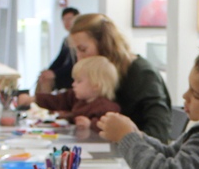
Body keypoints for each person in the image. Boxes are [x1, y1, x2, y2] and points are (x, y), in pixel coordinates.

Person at [68, 13, 172, 142]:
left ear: (105, 45)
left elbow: (159, 133)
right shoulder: (105, 75)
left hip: (137, 149)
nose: (79, 58)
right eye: (76, 51)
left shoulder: (142, 74)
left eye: (83, 50)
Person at [16, 55, 121, 132]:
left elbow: (111, 128)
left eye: (79, 81)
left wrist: (90, 124)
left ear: (96, 86)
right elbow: (57, 100)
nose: (73, 84)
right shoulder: (77, 98)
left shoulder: (106, 107)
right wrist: (34, 98)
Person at [35, 6, 81, 95]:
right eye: (64, 19)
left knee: (47, 80)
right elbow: (60, 59)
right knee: (43, 78)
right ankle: (37, 100)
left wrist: (54, 73)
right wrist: (48, 71)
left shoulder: (79, 39)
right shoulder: (67, 40)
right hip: (66, 72)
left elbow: (73, 63)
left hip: (73, 74)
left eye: (69, 19)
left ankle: (44, 101)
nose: (67, 22)